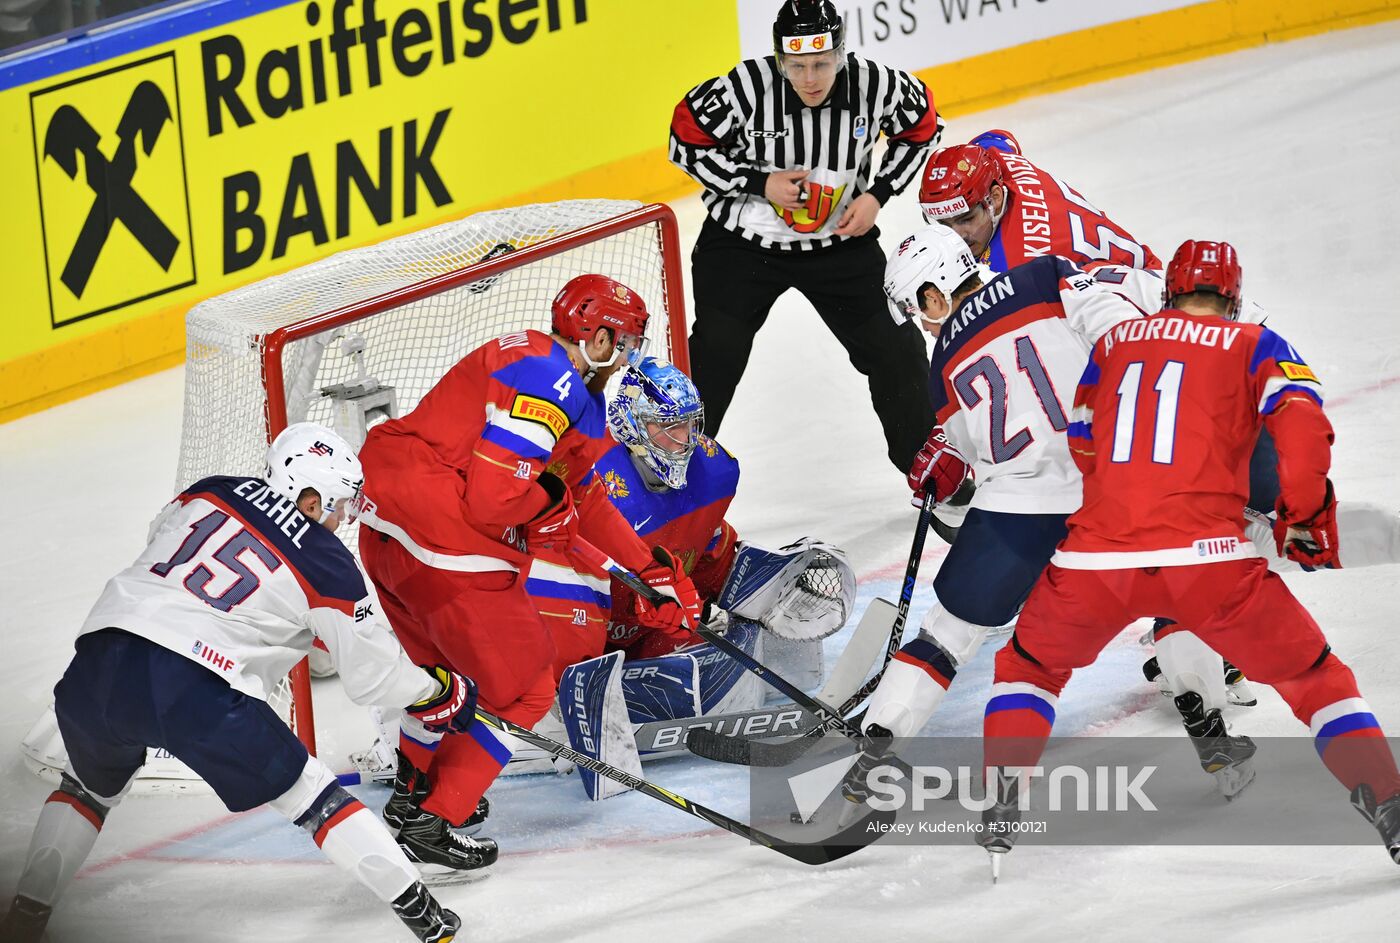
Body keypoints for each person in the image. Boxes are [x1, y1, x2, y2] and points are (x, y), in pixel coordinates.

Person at [977, 240, 1400, 864]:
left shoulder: (1116, 342)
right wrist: (1305, 514)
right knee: (1313, 678)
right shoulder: (1255, 342)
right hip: (1209, 560)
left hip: (1094, 560)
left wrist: (1128, 499)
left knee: (1028, 669)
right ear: (1233, 298)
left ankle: (1001, 796)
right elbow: (1303, 424)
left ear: (1169, 291)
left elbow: (1083, 438)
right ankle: (1388, 803)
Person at [0, 424, 477, 943]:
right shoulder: (326, 561)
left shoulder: (210, 489)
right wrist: (434, 692)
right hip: (196, 685)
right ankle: (426, 917)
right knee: (312, 797)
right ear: (310, 501)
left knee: (85, 788)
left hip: (100, 659)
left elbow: (160, 540)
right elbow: (374, 677)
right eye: (339, 505)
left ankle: (25, 917)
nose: (342, 518)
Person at [356, 275, 705, 866]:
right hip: (442, 540)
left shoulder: (544, 369)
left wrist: (649, 570)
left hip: (387, 533)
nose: (627, 356)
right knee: (524, 689)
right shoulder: (554, 383)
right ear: (598, 337)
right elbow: (494, 501)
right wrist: (549, 503)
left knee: (446, 678)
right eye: (625, 342)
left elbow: (584, 496)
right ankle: (434, 822)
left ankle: (414, 795)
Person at [841, 225, 1143, 786]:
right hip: (1112, 484)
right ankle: (1207, 702)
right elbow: (1127, 336)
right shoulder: (1047, 275)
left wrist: (950, 465)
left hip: (1017, 508)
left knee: (946, 635)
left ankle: (873, 752)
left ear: (935, 294)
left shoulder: (943, 363)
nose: (923, 324)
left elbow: (972, 451)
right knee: (1178, 579)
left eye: (916, 308)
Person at [668, 0, 942, 472]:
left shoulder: (874, 84)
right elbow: (684, 139)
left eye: (821, 63)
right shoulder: (746, 86)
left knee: (899, 350)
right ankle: (672, 474)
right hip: (742, 246)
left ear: (840, 54)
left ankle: (928, 469)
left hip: (840, 246)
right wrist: (758, 182)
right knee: (715, 354)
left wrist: (878, 193)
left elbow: (923, 126)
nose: (810, 78)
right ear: (780, 60)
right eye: (796, 66)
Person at [918, 130, 1162, 273]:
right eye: (944, 223)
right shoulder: (994, 157)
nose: (956, 236)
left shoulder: (1016, 265)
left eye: (966, 219)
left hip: (1138, 296)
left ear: (995, 198)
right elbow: (1000, 137)